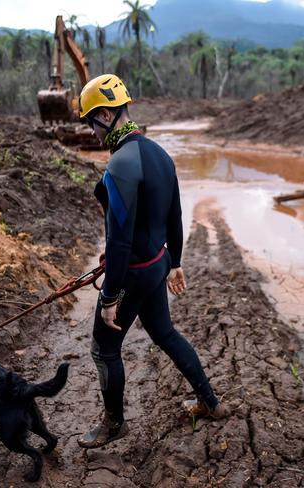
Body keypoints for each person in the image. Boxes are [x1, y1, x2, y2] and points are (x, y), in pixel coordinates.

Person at [76, 74, 228, 449]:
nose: (91, 132)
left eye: (91, 121)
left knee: (104, 349)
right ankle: (210, 402)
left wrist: (110, 296)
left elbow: (120, 238)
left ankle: (114, 425)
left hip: (132, 274)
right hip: (157, 263)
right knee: (164, 333)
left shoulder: (119, 166)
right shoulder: (159, 153)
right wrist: (175, 261)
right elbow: (174, 216)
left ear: (108, 116)